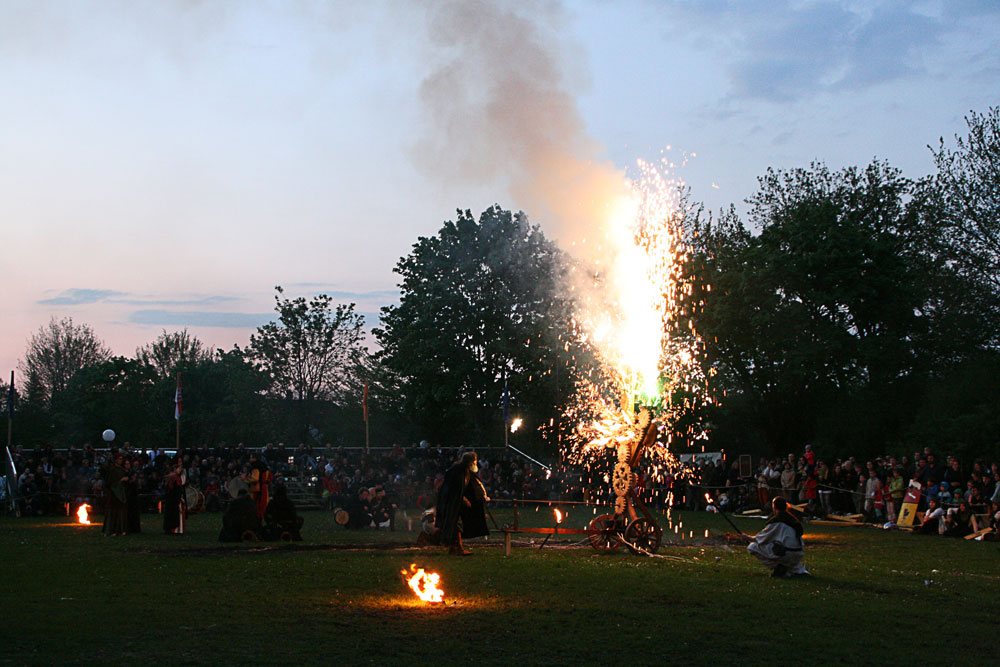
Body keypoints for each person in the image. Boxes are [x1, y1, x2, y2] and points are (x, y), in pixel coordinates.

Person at [434, 451, 490, 555]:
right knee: (455, 523)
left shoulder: (465, 471)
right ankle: (456, 548)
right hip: (451, 502)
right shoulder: (457, 471)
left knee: (457, 523)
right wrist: (464, 500)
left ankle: (455, 547)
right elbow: (454, 490)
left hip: (456, 501)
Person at [747, 497, 809, 577]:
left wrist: (747, 537)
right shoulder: (793, 520)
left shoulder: (776, 521)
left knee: (752, 547)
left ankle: (778, 567)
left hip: (787, 554)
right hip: (798, 554)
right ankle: (793, 570)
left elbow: (761, 539)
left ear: (774, 507)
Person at [101, 452, 128, 537]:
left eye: (121, 459)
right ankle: (112, 530)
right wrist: (121, 481)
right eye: (119, 459)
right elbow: (111, 483)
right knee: (113, 512)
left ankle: (119, 529)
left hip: (120, 493)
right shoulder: (112, 470)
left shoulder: (121, 469)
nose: (121, 460)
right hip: (114, 494)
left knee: (120, 512)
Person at [162, 462, 186, 535]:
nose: (180, 470)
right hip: (173, 499)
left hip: (171, 498)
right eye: (179, 468)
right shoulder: (174, 477)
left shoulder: (172, 476)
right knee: (172, 514)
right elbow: (175, 489)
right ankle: (172, 528)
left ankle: (170, 528)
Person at [247, 452, 272, 520]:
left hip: (256, 488)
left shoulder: (255, 466)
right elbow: (270, 478)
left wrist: (245, 479)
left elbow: (255, 479)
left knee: (256, 503)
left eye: (251, 457)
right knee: (264, 503)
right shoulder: (265, 466)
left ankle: (257, 516)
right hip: (264, 487)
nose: (250, 459)